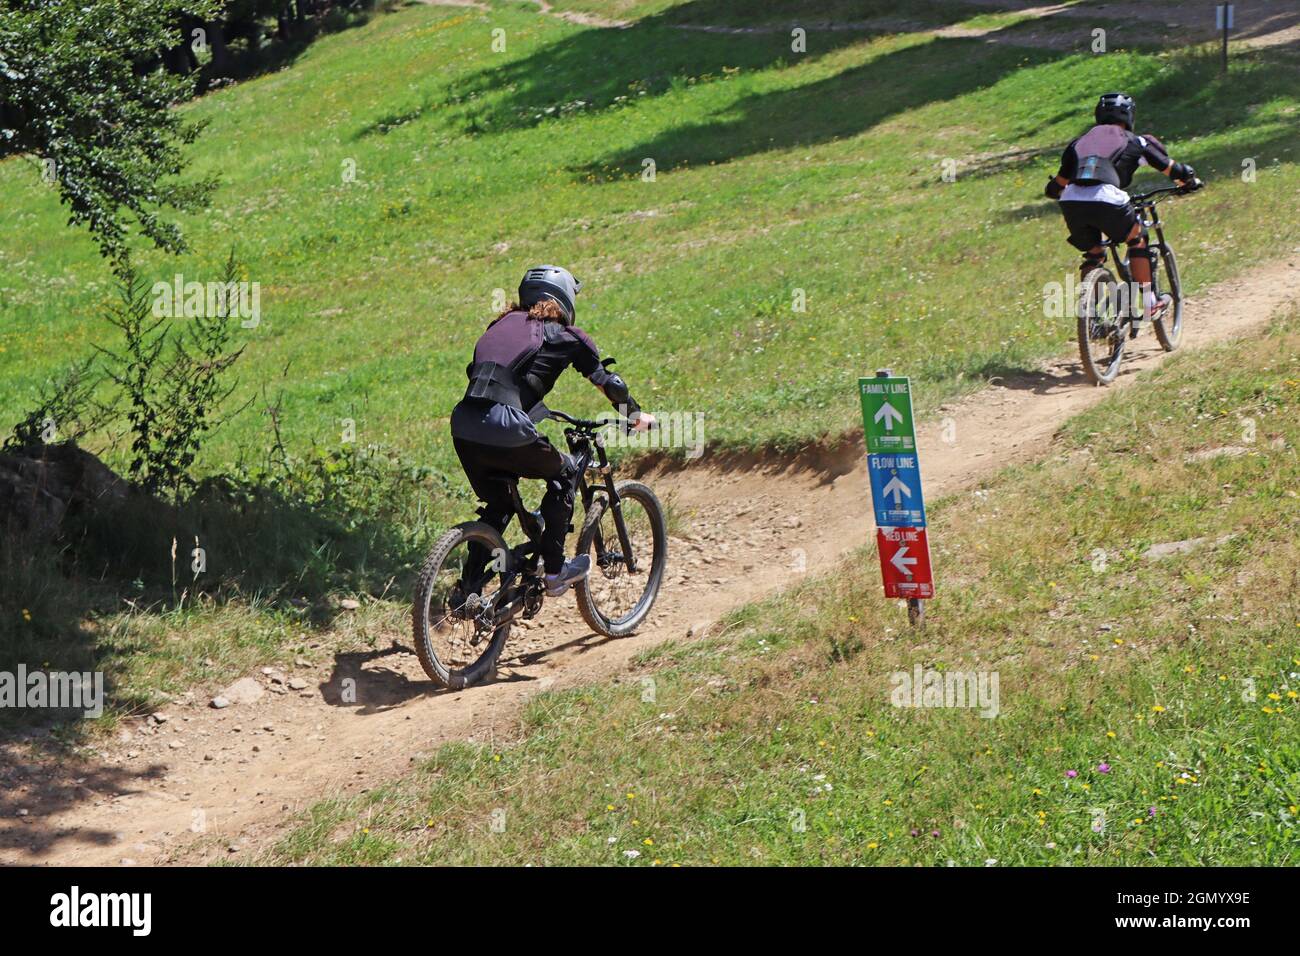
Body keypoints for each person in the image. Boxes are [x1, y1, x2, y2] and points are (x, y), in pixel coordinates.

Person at [450, 265, 655, 597]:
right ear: (564, 299)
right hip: (505, 427)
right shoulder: (565, 335)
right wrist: (635, 415)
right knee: (565, 473)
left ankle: (468, 589)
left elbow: (497, 380)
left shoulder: (499, 325)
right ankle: (556, 573)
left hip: (463, 425)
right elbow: (608, 383)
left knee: (500, 504)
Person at [1045, 92, 1202, 319]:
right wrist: (1188, 182)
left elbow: (1056, 187)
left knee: (1094, 253)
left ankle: (1092, 316)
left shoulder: (1078, 143)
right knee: (1136, 238)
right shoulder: (1136, 141)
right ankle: (1150, 303)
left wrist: (1056, 190)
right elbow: (1175, 170)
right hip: (1108, 198)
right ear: (1129, 116)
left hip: (1071, 200)